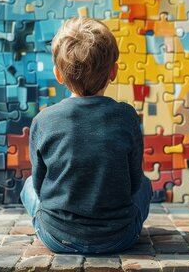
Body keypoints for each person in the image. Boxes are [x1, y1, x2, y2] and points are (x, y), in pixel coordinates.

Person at [20, 17, 153, 254]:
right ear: (113, 71)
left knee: (28, 185)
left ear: (58, 75)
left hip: (57, 238)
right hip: (120, 237)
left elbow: (40, 187)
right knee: (145, 184)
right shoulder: (126, 116)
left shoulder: (43, 120)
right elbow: (133, 183)